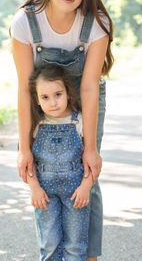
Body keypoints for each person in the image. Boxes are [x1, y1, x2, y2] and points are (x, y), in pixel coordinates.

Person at [10, 0, 114, 260]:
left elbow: (89, 86)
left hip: (86, 100)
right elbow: (26, 88)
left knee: (87, 175)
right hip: (43, 102)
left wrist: (91, 148)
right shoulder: (26, 22)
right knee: (41, 173)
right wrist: (24, 147)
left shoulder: (96, 22)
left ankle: (88, 256)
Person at [27, 64, 93, 261]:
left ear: (68, 93)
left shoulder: (79, 121)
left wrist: (86, 186)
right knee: (49, 246)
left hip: (76, 193)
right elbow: (27, 162)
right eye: (45, 97)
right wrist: (34, 188)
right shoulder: (35, 124)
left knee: (75, 247)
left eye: (58, 94)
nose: (53, 102)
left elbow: (92, 159)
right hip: (44, 195)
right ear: (37, 100)